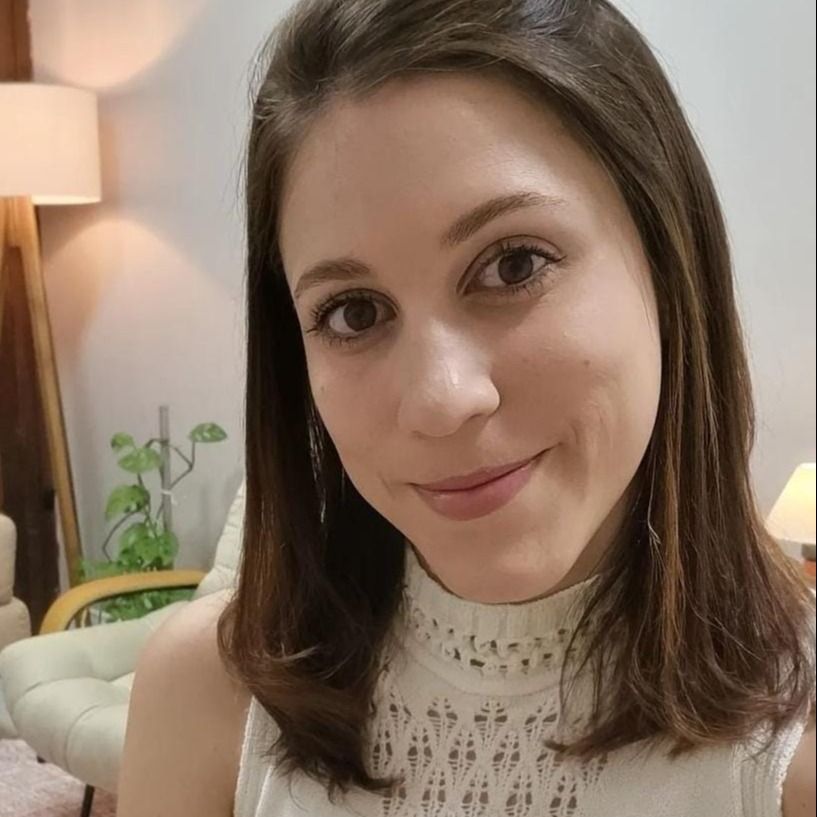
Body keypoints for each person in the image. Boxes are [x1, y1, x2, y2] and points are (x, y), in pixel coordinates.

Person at [116, 1, 817, 815]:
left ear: (668, 258)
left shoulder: (789, 755)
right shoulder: (206, 699)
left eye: (513, 264)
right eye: (353, 312)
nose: (440, 400)